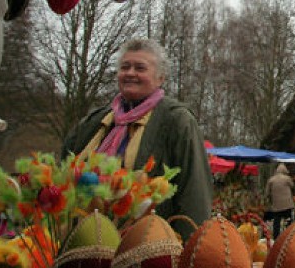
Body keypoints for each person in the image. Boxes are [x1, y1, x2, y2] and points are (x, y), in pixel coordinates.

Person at [62, 38, 213, 241]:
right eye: (125, 67)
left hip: (145, 247)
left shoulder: (177, 121)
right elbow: (63, 173)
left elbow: (194, 192)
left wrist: (189, 251)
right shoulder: (95, 122)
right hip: (82, 242)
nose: (130, 73)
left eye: (140, 68)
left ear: (160, 78)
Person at [265, 163, 295, 239]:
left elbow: (267, 193)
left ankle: (276, 237)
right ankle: (288, 236)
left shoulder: (271, 180)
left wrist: (270, 200)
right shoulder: (287, 179)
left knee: (276, 221)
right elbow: (293, 187)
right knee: (288, 220)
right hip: (287, 204)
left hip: (276, 205)